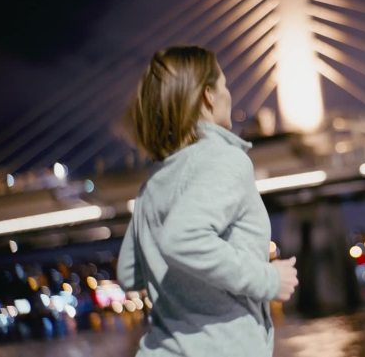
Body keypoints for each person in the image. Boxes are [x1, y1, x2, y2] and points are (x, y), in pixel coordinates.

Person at [116, 46, 298, 357]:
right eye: (225, 85)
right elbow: (181, 238)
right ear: (208, 96)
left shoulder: (154, 182)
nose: (229, 95)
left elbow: (128, 273)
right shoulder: (225, 161)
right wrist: (268, 279)